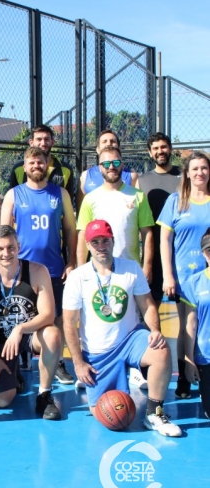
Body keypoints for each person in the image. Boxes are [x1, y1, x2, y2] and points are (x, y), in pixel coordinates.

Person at [62, 219, 181, 437]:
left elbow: (147, 304)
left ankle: (154, 413)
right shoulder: (78, 277)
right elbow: (69, 323)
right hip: (99, 352)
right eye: (95, 242)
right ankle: (108, 379)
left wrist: (155, 330)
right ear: (88, 245)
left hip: (130, 339)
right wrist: (78, 363)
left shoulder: (131, 268)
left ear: (112, 241)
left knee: (160, 350)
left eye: (105, 241)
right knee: (108, 415)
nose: (101, 246)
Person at [77, 145, 154, 389]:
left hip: (129, 273)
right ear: (99, 168)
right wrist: (81, 270)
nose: (112, 167)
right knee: (98, 323)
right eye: (106, 164)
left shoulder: (137, 196)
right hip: (98, 273)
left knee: (132, 321)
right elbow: (82, 238)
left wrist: (148, 267)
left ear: (123, 165)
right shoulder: (90, 198)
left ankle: (136, 370)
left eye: (116, 163)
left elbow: (147, 235)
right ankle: (87, 368)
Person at [1, 146, 76, 384]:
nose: (36, 166)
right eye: (32, 162)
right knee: (19, 317)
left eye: (41, 162)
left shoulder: (60, 193)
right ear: (25, 167)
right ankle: (18, 361)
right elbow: (3, 233)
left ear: (47, 165)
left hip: (53, 268)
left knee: (55, 319)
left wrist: (72, 260)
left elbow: (71, 230)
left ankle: (58, 362)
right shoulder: (14, 194)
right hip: (22, 270)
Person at [0, 225, 62, 419]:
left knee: (53, 334)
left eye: (11, 247)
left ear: (18, 246)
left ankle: (44, 395)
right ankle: (13, 377)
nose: (6, 253)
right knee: (2, 401)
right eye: (0, 249)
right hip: (2, 341)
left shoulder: (38, 271)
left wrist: (20, 329)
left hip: (31, 334)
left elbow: (48, 315)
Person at [158, 151, 210, 399]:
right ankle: (186, 376)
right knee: (187, 326)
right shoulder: (176, 201)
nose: (200, 172)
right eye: (195, 169)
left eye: (204, 168)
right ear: (187, 174)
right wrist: (168, 275)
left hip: (208, 273)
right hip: (185, 277)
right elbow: (165, 240)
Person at [138, 133, 181, 308]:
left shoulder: (185, 176)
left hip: (181, 249)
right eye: (155, 148)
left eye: (163, 147)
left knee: (186, 306)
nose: (160, 151)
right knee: (152, 305)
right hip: (154, 252)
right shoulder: (142, 181)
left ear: (170, 149)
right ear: (150, 152)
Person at [76, 129, 138, 212]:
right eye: (104, 141)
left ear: (119, 148)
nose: (109, 144)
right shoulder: (85, 176)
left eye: (112, 141)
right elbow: (81, 210)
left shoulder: (132, 176)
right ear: (97, 149)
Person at [183, 228, 210, 417]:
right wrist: (189, 360)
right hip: (206, 357)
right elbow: (191, 324)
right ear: (203, 254)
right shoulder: (195, 283)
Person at [8, 125, 74, 197]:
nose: (43, 143)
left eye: (47, 139)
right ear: (31, 142)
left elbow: (68, 199)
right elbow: (13, 198)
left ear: (52, 142)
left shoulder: (66, 169)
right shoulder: (18, 169)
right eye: (39, 139)